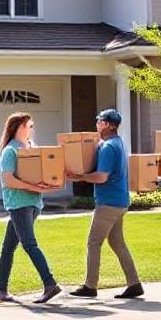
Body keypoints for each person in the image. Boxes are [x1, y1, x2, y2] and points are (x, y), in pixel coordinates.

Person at [65, 108, 144, 299]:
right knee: (117, 242)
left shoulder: (108, 147)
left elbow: (101, 177)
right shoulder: (118, 143)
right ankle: (134, 284)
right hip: (119, 200)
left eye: (100, 120)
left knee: (94, 242)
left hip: (109, 202)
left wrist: (80, 177)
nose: (97, 123)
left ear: (108, 125)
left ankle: (90, 286)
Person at [0, 112, 63, 304]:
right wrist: (36, 187)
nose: (32, 129)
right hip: (25, 204)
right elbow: (9, 179)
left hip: (23, 205)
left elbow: (15, 180)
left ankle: (50, 283)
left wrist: (48, 184)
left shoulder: (31, 148)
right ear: (19, 127)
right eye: (29, 126)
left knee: (29, 244)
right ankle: (1, 290)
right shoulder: (11, 151)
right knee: (8, 248)